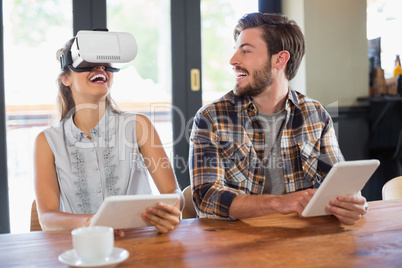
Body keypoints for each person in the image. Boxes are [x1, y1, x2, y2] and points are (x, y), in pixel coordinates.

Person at [189, 12, 367, 225]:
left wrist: (352, 204)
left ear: (280, 59)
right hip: (234, 246)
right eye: (236, 50)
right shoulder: (211, 118)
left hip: (303, 239)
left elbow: (338, 186)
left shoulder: (316, 115)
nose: (233, 60)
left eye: (245, 51)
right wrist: (280, 203)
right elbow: (206, 198)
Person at [34, 32, 183, 234]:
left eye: (105, 64)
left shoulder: (139, 126)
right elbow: (47, 218)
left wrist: (170, 210)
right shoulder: (47, 141)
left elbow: (174, 194)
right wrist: (94, 222)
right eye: (89, 61)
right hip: (82, 249)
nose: (99, 68)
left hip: (140, 244)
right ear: (66, 78)